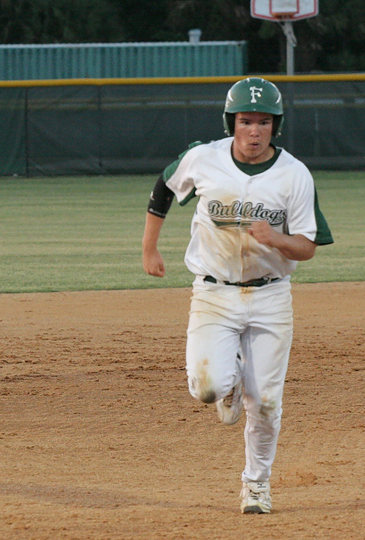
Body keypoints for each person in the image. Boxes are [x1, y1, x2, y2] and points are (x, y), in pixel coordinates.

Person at [141, 77, 333, 514]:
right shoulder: (204, 158)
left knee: (265, 402)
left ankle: (256, 485)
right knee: (207, 389)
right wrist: (149, 247)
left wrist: (276, 240)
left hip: (271, 297)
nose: (253, 131)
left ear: (274, 126)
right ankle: (228, 379)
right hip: (214, 294)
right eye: (245, 121)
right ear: (232, 123)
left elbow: (308, 246)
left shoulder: (294, 174)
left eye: (263, 122)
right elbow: (163, 188)